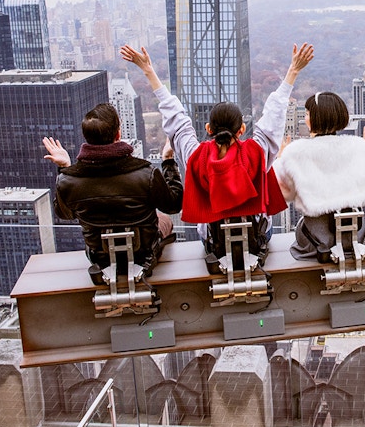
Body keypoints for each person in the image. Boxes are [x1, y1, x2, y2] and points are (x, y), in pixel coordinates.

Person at [122, 43, 313, 264]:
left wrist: (148, 71)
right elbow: (274, 115)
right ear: (241, 129)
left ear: (208, 129)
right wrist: (293, 71)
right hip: (256, 241)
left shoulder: (195, 156)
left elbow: (176, 119)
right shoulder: (257, 152)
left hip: (214, 245)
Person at [43, 103, 182, 276]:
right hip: (143, 256)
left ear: (86, 138)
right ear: (118, 134)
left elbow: (65, 214)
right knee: (164, 219)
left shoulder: (69, 181)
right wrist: (168, 160)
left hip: (100, 259)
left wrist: (65, 169)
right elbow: (174, 205)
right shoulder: (146, 173)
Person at [272, 91, 365, 261]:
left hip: (316, 240)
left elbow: (282, 192)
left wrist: (280, 158)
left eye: (308, 114)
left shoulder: (295, 153)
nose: (305, 118)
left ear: (315, 118)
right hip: (356, 236)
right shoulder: (360, 149)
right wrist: (364, 150)